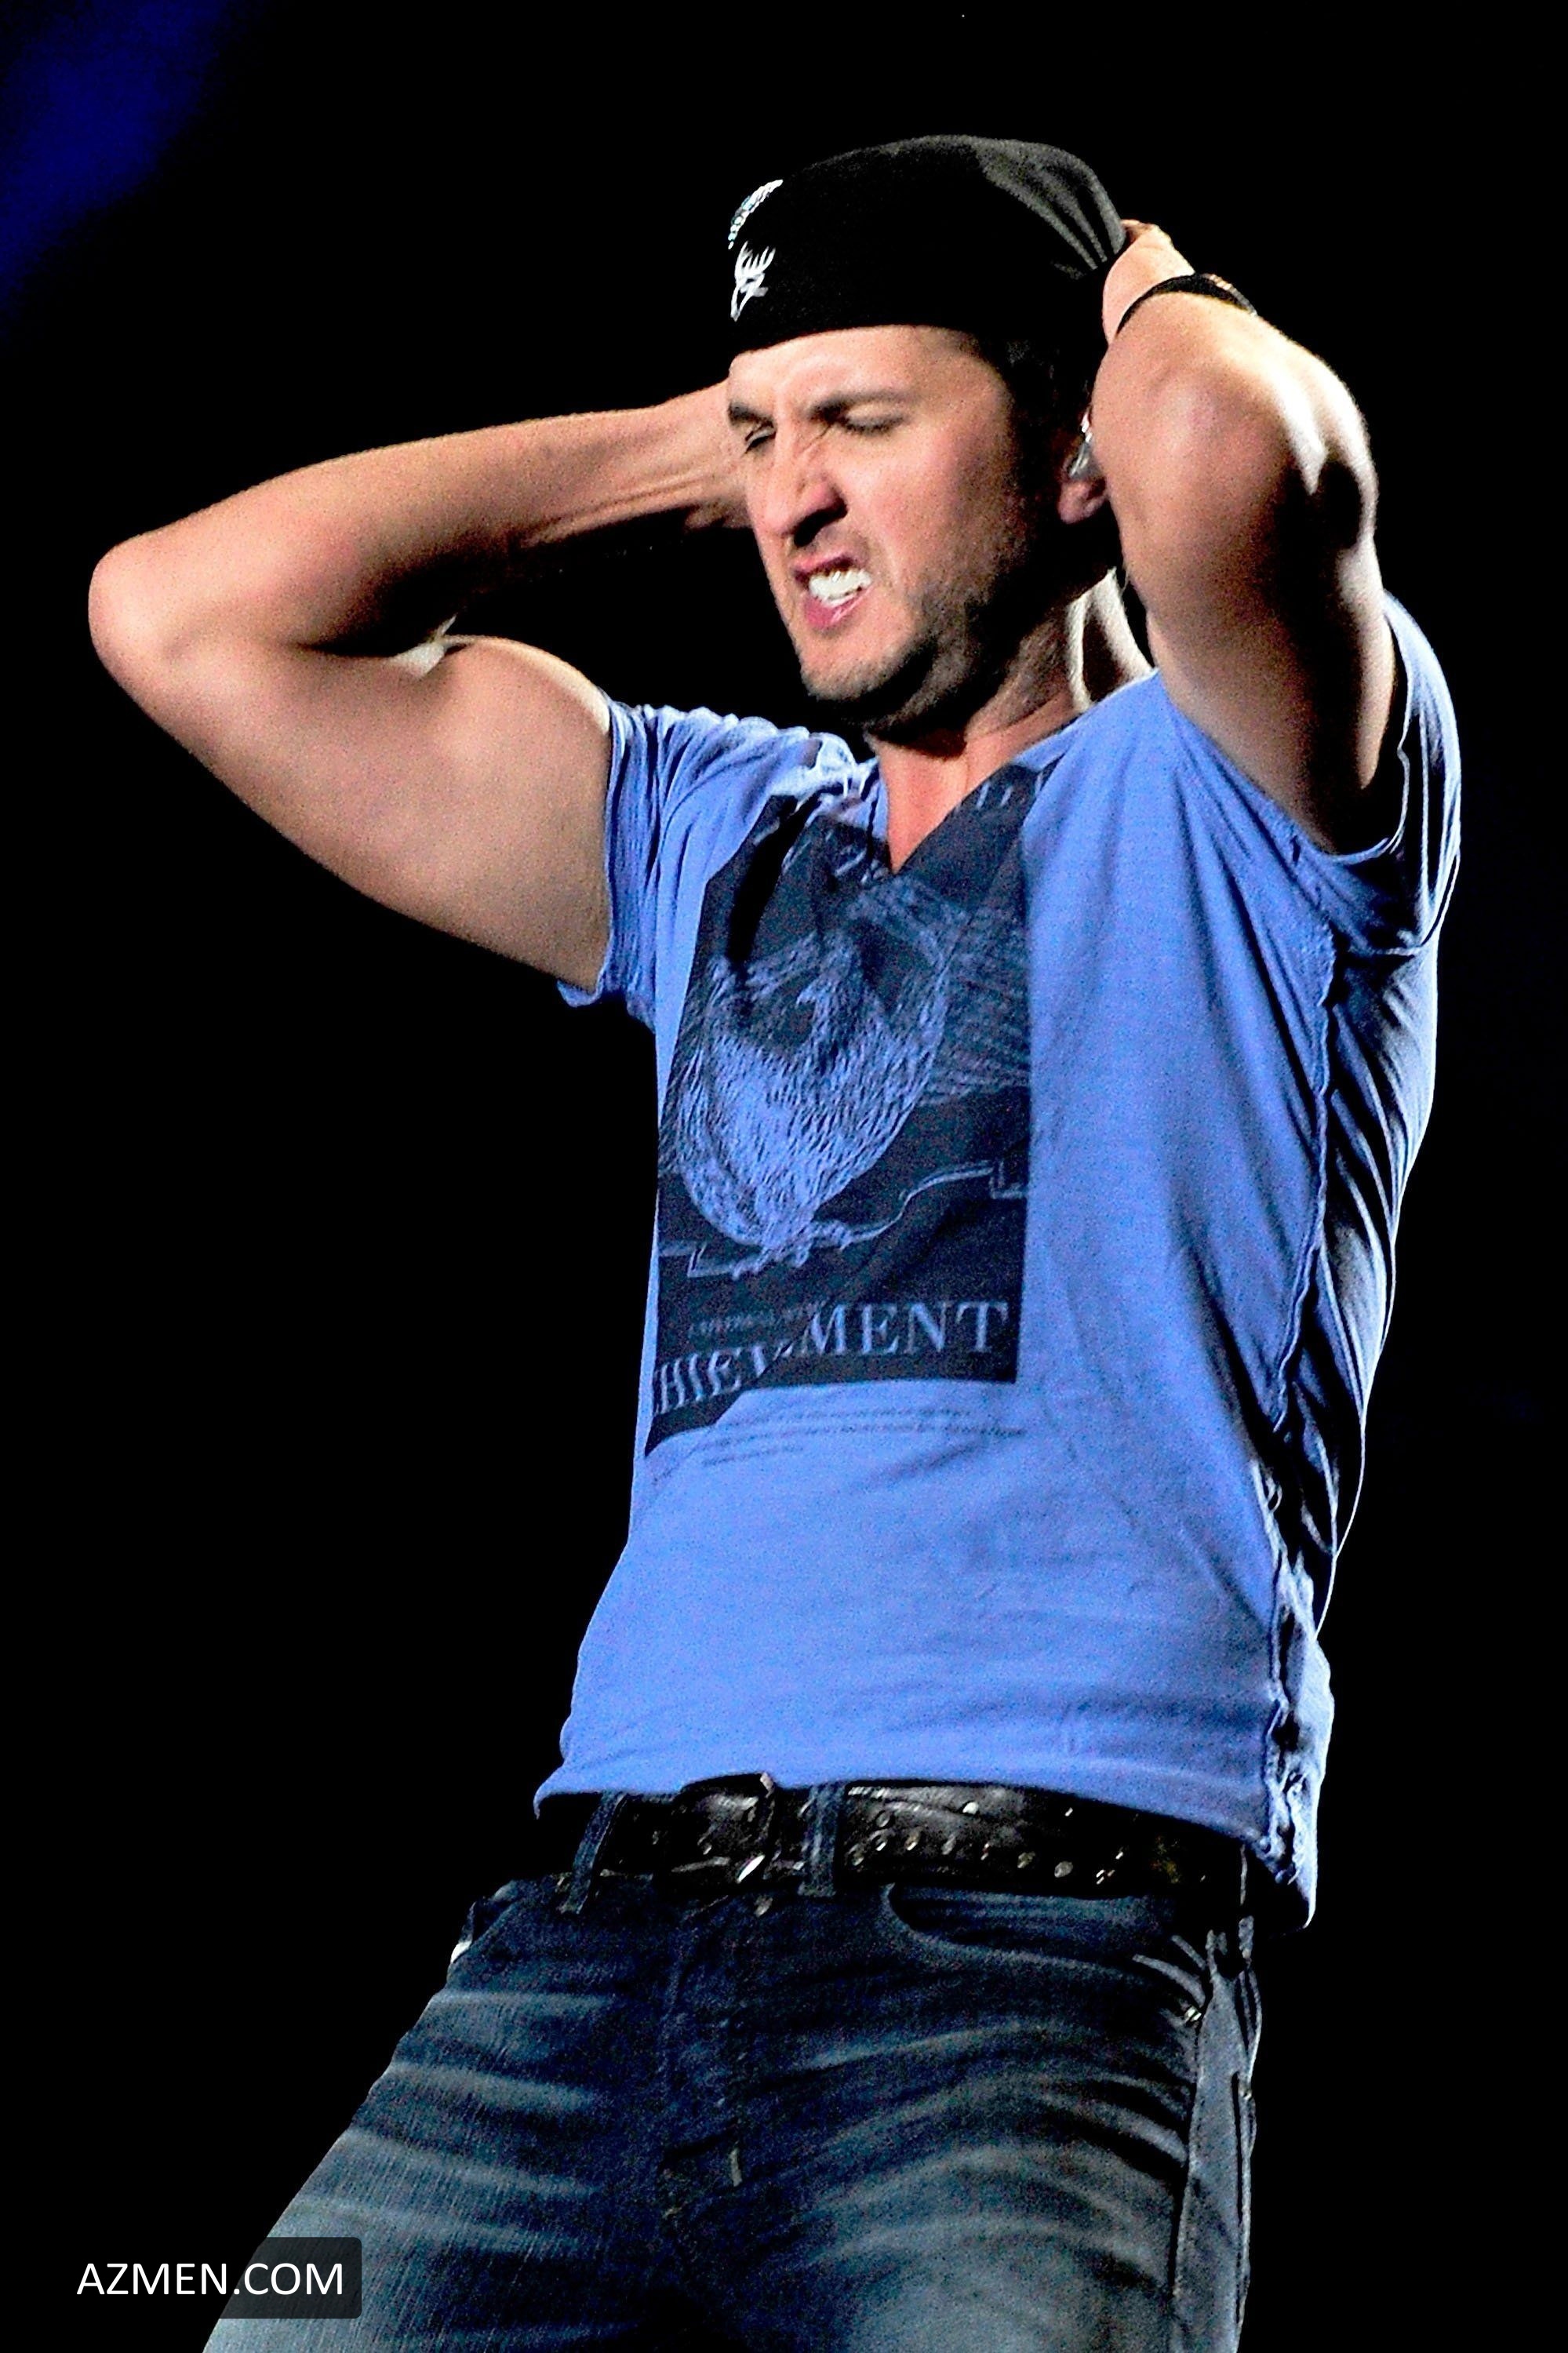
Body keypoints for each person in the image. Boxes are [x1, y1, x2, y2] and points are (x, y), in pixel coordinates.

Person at [89, 136, 1457, 2352]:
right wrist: (711, 444)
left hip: (1030, 1973)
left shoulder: (1245, 786)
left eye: (871, 425)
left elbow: (1237, 450)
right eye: (768, 439)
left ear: (1078, 457)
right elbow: (176, 615)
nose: (798, 499)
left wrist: (1111, 265)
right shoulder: (708, 829)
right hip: (577, 1961)